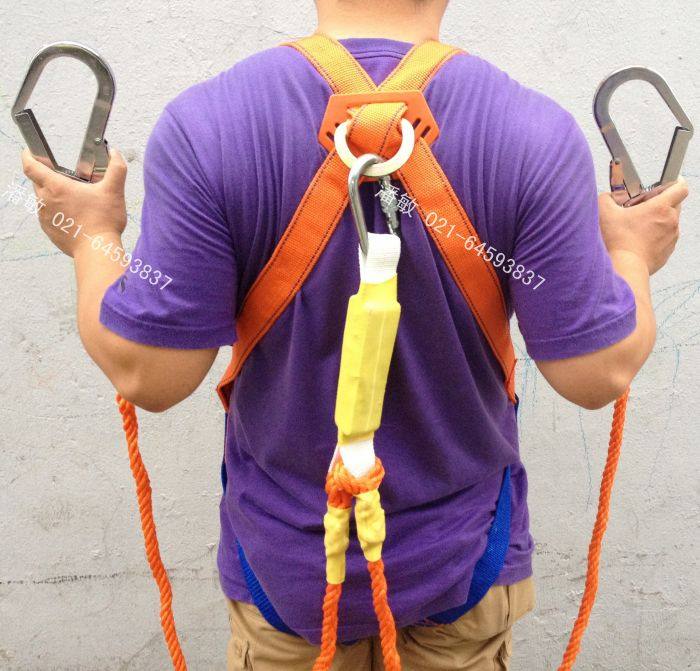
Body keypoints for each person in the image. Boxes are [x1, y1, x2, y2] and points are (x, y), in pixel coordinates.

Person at [21, 0, 689, 669]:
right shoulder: (534, 133)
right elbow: (598, 374)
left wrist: (92, 236)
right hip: (463, 564)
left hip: (287, 577)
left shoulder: (205, 126)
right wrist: (632, 253)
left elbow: (148, 374)